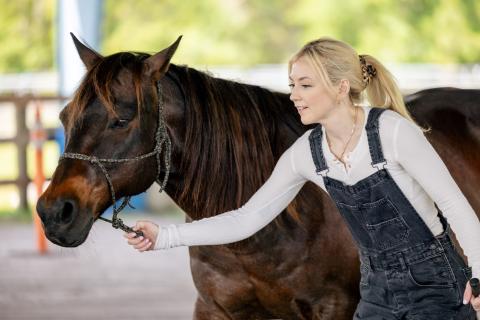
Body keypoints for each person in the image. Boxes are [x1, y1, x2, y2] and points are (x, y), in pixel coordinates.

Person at [124, 37, 480, 319]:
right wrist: (165, 236)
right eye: (292, 84)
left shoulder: (392, 131)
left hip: (437, 285)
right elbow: (249, 217)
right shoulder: (307, 153)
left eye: (305, 85)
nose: (293, 95)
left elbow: (454, 206)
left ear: (341, 87)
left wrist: (478, 276)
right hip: (376, 292)